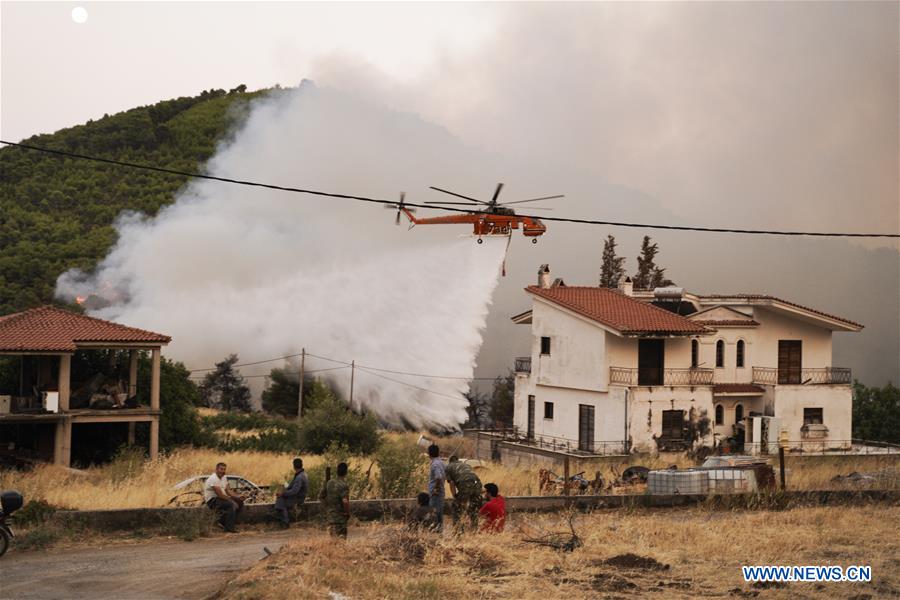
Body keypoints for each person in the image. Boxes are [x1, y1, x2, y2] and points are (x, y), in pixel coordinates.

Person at [203, 462, 244, 533]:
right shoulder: (213, 478)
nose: (223, 471)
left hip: (221, 499)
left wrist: (238, 496)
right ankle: (229, 528)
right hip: (212, 501)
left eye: (224, 469)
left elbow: (228, 490)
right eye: (221, 469)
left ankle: (222, 522)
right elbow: (220, 495)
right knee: (231, 505)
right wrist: (232, 501)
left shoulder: (224, 477)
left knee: (239, 502)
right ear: (216, 469)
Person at [445, 455, 482, 530]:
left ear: (450, 461)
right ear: (458, 460)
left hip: (465, 483)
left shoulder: (449, 467)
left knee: (456, 507)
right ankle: (474, 529)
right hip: (477, 483)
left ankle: (457, 530)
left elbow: (452, 483)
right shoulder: (466, 465)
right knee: (473, 507)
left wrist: (455, 495)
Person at [273, 457, 308, 528]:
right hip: (299, 496)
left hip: (298, 499)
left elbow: (294, 491)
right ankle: (283, 520)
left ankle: (285, 522)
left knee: (280, 500)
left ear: (294, 466)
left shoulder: (299, 477)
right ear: (302, 465)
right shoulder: (303, 474)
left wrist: (283, 493)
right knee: (280, 498)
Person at [320, 462, 350, 538]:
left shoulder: (329, 483)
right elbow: (345, 501)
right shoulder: (344, 485)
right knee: (341, 543)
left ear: (337, 471)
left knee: (333, 542)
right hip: (340, 519)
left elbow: (321, 496)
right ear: (346, 472)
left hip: (331, 518)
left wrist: (328, 507)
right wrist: (347, 513)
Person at [427, 444, 445, 532]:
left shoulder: (435, 464)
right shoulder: (441, 462)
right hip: (440, 491)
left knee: (435, 511)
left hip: (436, 493)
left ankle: (436, 529)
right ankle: (439, 528)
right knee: (439, 510)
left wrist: (435, 489)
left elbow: (438, 477)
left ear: (429, 453)